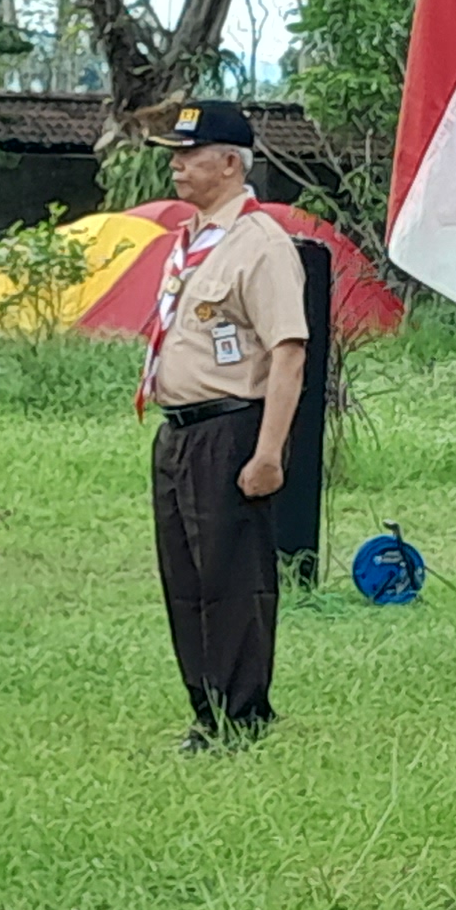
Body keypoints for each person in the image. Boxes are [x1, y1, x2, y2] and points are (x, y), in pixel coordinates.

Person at [131, 101, 311, 750]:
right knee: (185, 581)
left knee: (233, 580)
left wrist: (269, 453)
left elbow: (288, 352)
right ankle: (206, 712)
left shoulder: (260, 245)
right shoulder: (193, 241)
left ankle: (243, 716)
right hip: (179, 431)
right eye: (175, 156)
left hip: (231, 427)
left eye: (190, 155)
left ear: (230, 163)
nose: (176, 167)